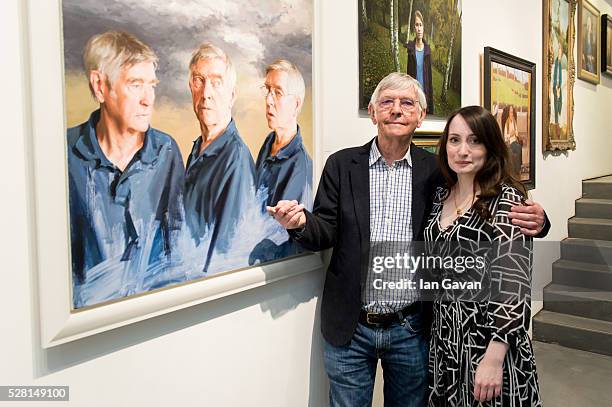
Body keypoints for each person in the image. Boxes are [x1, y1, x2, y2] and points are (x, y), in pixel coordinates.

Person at [267, 73, 548, 407]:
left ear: (420, 116)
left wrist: (541, 221)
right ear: (372, 113)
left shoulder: (437, 172)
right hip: (351, 327)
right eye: (386, 102)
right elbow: (325, 229)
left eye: (406, 104)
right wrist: (299, 223)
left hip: (413, 328)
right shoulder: (342, 165)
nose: (396, 110)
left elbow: (498, 221)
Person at [425, 105, 541, 406]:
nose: (463, 150)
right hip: (447, 344)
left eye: (474, 140)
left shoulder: (506, 201)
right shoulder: (441, 197)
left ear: (490, 146)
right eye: (454, 140)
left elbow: (513, 284)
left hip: (488, 345)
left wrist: (495, 355)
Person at [67, 31, 185, 308]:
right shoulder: (66, 154)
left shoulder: (166, 151)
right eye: (135, 84)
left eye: (151, 85)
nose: (148, 99)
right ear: (100, 86)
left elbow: (177, 248)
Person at [183, 43, 256, 274]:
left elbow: (227, 257)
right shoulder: (198, 149)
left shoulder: (236, 160)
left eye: (216, 82)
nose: (206, 93)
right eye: (198, 80)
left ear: (232, 95)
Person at [255, 59, 312, 210]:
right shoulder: (269, 142)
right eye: (267, 90)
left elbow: (282, 230)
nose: (268, 100)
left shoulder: (300, 166)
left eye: (278, 93)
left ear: (296, 104)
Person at [405, 10, 434, 114]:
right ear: (414, 28)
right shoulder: (410, 50)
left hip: (424, 95)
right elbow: (408, 76)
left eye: (421, 25)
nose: (419, 28)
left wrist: (431, 105)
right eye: (417, 25)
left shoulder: (427, 51)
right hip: (413, 95)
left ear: (424, 28)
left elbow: (429, 80)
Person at [501, 104, 522, 177]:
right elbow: (505, 137)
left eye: (512, 112)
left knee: (518, 149)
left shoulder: (514, 121)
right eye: (510, 112)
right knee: (510, 152)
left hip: (515, 141)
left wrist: (516, 134)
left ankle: (517, 170)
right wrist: (511, 134)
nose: (511, 114)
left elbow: (516, 132)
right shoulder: (506, 123)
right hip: (509, 143)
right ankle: (512, 171)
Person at [552, 41, 563, 138]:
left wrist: (560, 88)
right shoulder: (555, 65)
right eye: (558, 52)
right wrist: (556, 88)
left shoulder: (560, 65)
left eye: (561, 53)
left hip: (559, 89)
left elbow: (560, 80)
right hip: (555, 88)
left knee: (559, 108)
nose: (560, 55)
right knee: (556, 110)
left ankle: (558, 129)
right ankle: (556, 129)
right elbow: (554, 79)